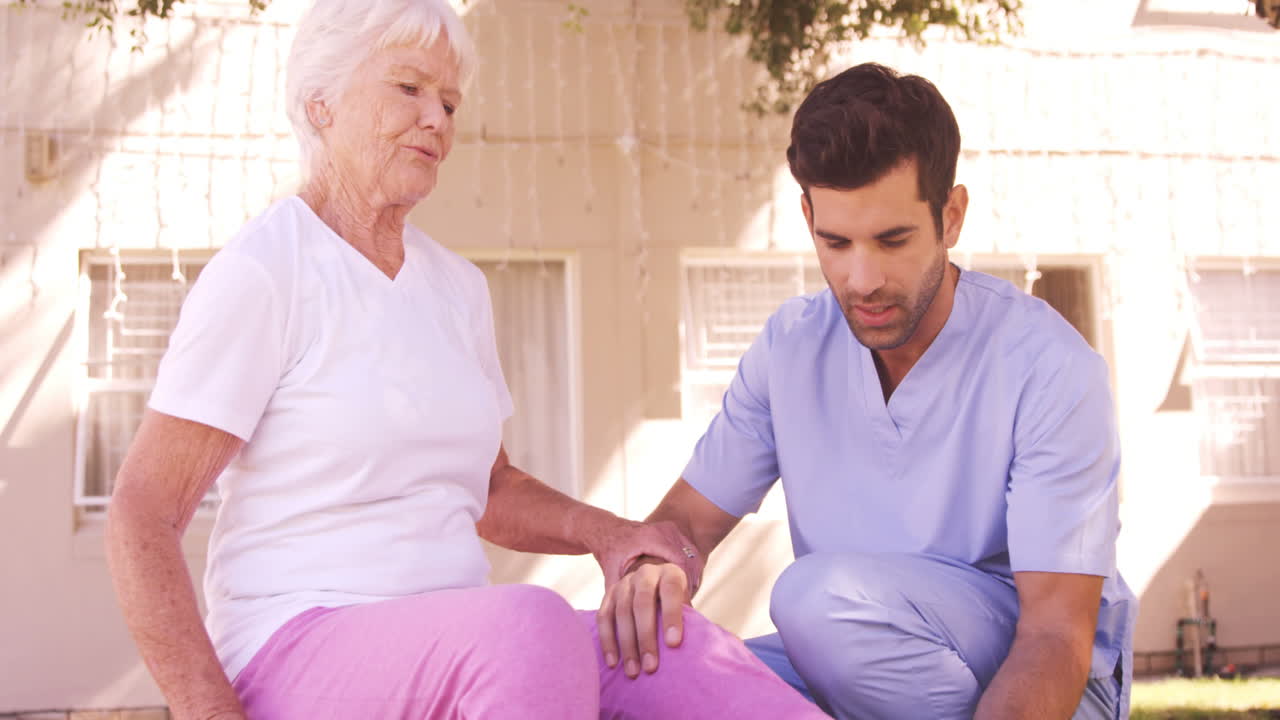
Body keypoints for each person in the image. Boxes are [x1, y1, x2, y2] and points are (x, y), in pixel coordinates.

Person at [103, 1, 828, 718]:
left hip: (459, 644)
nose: (439, 120)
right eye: (409, 88)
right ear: (319, 102)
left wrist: (613, 537)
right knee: (530, 625)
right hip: (293, 644)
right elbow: (143, 512)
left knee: (675, 650)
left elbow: (493, 488)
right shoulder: (267, 271)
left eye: (450, 101)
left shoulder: (457, 288)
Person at [598, 62, 1137, 720]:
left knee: (815, 601)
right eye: (836, 242)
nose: (863, 279)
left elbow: (1055, 636)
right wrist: (657, 567)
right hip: (846, 663)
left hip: (1041, 682)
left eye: (893, 240)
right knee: (629, 672)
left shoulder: (1049, 367)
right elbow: (683, 526)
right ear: (807, 218)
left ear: (952, 216)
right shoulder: (791, 347)